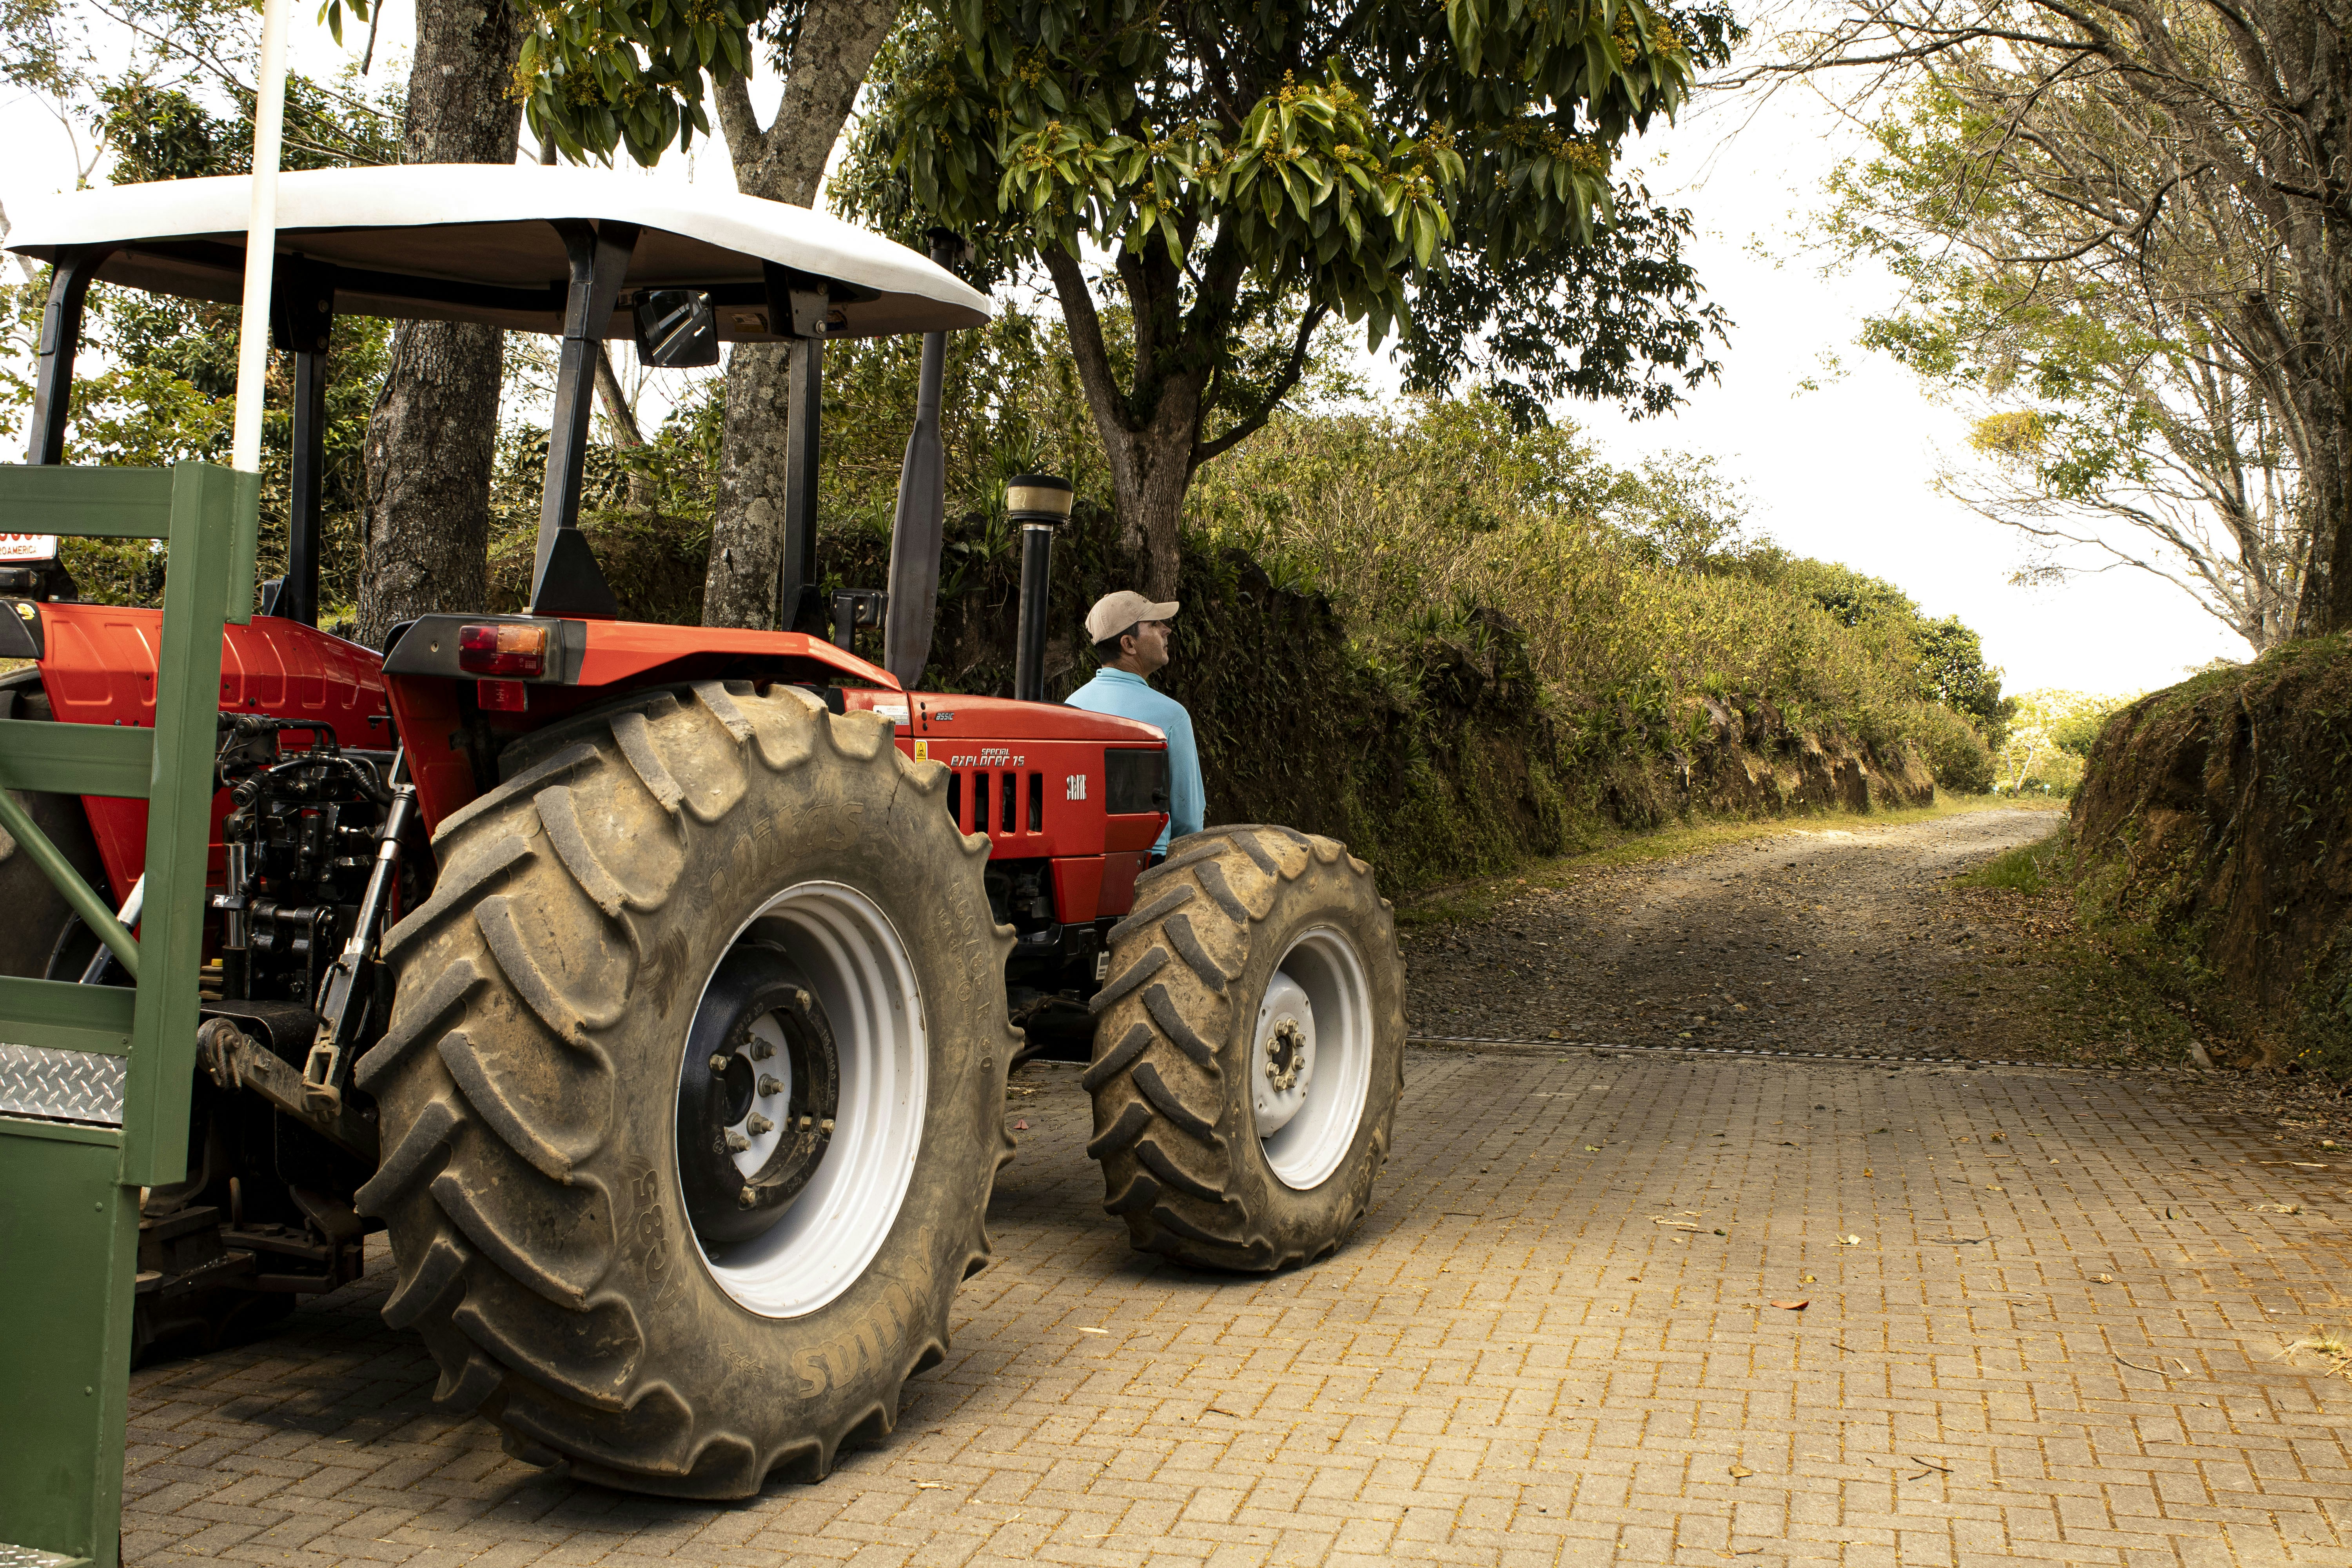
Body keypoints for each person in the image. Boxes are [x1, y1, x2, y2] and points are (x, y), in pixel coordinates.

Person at [1065, 590, 1205, 860]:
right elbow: (1189, 824)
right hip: (1151, 866)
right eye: (1154, 624)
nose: (1167, 630)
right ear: (1129, 644)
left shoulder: (1071, 707)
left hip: (1081, 859)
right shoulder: (1172, 716)